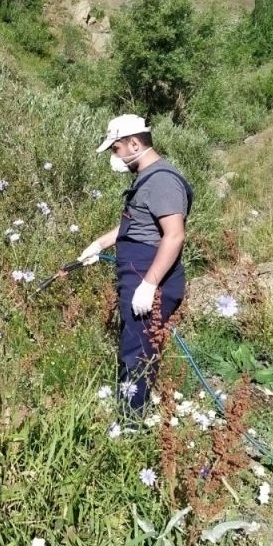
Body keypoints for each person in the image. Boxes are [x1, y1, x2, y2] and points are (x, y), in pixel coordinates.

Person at [78, 114, 193, 414]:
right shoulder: (145, 178)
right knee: (135, 344)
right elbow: (136, 226)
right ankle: (129, 408)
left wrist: (150, 284)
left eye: (116, 149)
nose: (114, 157)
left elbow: (174, 236)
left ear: (134, 143)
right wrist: (98, 245)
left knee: (138, 352)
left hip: (149, 273)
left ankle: (130, 422)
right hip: (138, 270)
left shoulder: (163, 180)